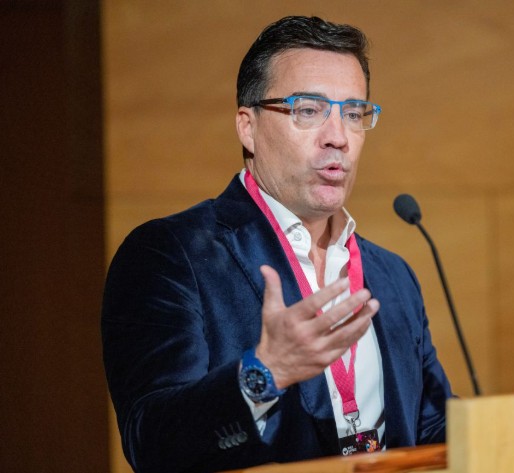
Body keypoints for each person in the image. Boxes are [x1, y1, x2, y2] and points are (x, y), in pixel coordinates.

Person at [102, 15, 453, 473]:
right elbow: (151, 443)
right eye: (308, 110)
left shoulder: (391, 275)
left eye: (353, 113)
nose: (338, 137)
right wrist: (265, 374)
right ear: (247, 127)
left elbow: (431, 429)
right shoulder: (170, 255)